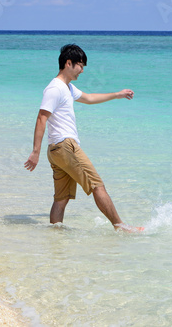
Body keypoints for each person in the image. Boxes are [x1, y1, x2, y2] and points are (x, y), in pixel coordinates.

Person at [24, 43, 137, 231]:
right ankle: (120, 226)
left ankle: (55, 238)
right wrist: (35, 152)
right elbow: (41, 118)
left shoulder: (67, 88)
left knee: (61, 198)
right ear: (69, 63)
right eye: (81, 65)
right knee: (97, 185)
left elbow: (89, 98)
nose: (82, 70)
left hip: (56, 150)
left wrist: (118, 94)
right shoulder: (55, 88)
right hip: (65, 146)